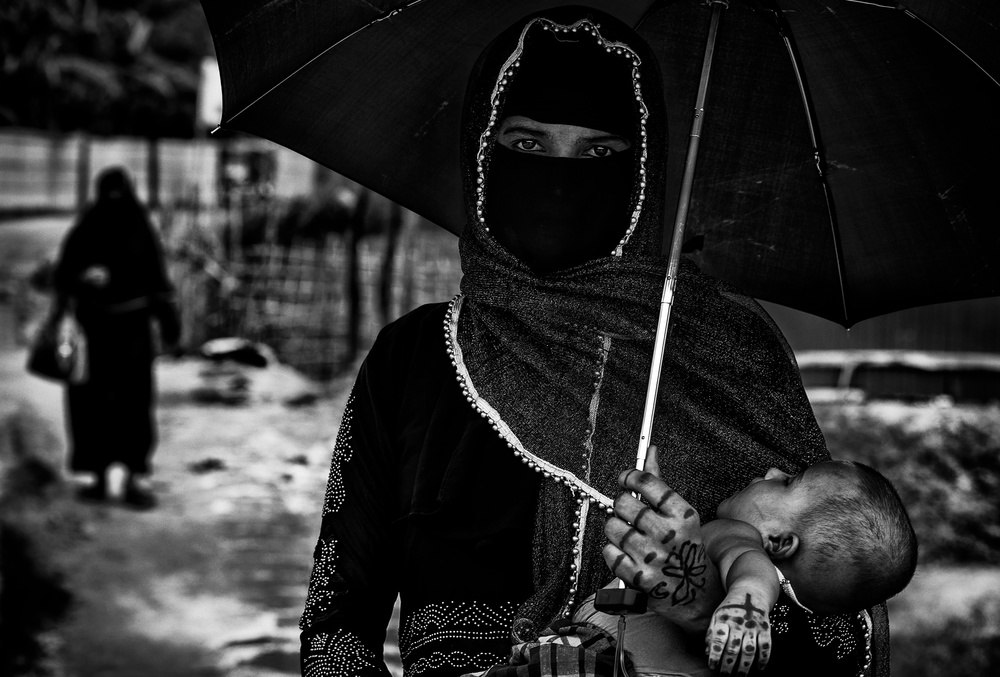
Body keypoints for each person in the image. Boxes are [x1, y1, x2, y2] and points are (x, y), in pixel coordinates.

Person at [300, 6, 888, 676]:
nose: (560, 176)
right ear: (481, 156)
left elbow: (841, 636)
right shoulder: (413, 358)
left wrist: (697, 597)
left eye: (601, 153)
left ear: (644, 174)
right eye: (526, 145)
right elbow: (335, 629)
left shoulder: (724, 352)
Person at [572, 453, 917, 676]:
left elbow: (747, 562)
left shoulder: (739, 540)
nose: (771, 470)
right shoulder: (831, 644)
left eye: (786, 482)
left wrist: (746, 601)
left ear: (779, 542)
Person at [50, 166, 180, 509]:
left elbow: (158, 281)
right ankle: (97, 474)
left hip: (134, 332)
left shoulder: (141, 229)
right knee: (92, 404)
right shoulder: (86, 229)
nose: (115, 202)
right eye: (109, 195)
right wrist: (83, 276)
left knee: (135, 403)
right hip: (93, 331)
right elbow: (62, 275)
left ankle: (137, 476)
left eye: (120, 194)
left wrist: (169, 325)